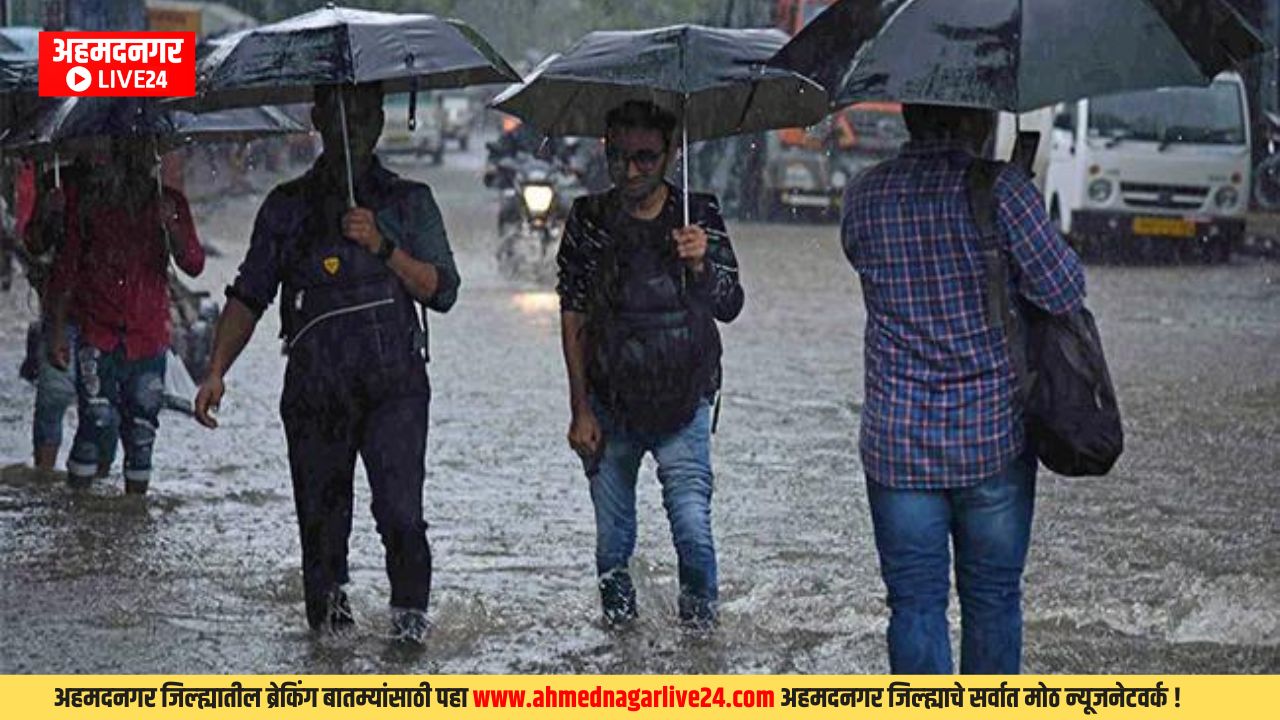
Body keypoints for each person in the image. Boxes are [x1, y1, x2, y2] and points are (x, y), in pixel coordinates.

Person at [193, 83, 460, 645]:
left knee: (402, 518)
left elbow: (442, 290)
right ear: (316, 118)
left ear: (380, 120)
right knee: (321, 533)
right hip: (316, 390)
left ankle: (409, 642)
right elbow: (249, 296)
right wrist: (217, 369)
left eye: (362, 115)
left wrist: (384, 245)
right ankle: (328, 655)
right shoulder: (287, 207)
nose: (350, 128)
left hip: (396, 389)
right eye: (338, 115)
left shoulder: (409, 201)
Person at [841, 104, 1086, 673]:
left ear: (907, 116)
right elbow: (1064, 292)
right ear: (977, 120)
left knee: (914, 606)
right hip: (992, 438)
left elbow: (865, 262)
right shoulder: (1003, 192)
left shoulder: (863, 196)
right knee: (994, 600)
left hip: (897, 442)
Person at [557, 100, 745, 630]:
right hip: (609, 403)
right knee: (613, 543)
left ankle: (701, 638)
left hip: (684, 401)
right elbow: (572, 313)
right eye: (618, 157)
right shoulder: (589, 219)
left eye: (644, 158)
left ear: (670, 154)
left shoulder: (698, 213)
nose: (631, 170)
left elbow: (731, 304)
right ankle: (618, 642)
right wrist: (579, 410)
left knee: (692, 528)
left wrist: (702, 263)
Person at [45, 142, 199, 494]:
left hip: (148, 338)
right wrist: (56, 332)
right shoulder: (88, 203)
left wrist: (171, 225)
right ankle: (79, 505)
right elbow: (65, 270)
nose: (132, 161)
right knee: (97, 419)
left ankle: (132, 517)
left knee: (142, 432)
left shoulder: (169, 203)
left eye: (138, 152)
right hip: (96, 332)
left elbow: (193, 262)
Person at [21, 157, 120, 475]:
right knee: (54, 395)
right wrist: (49, 212)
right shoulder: (58, 183)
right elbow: (35, 244)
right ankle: (45, 477)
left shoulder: (132, 186)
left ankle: (99, 478)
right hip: (64, 310)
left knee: (104, 407)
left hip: (111, 313)